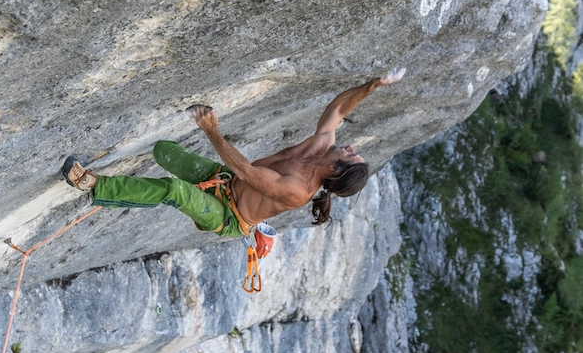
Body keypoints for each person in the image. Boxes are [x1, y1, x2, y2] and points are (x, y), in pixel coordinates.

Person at [62, 68, 406, 236]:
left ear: (335, 171)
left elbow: (248, 172)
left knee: (173, 190)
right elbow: (338, 110)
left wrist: (213, 131)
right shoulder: (320, 148)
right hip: (222, 181)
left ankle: (94, 186)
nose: (349, 147)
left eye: (350, 155)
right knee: (164, 151)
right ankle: (120, 185)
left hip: (227, 216)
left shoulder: (296, 190)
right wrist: (372, 86)